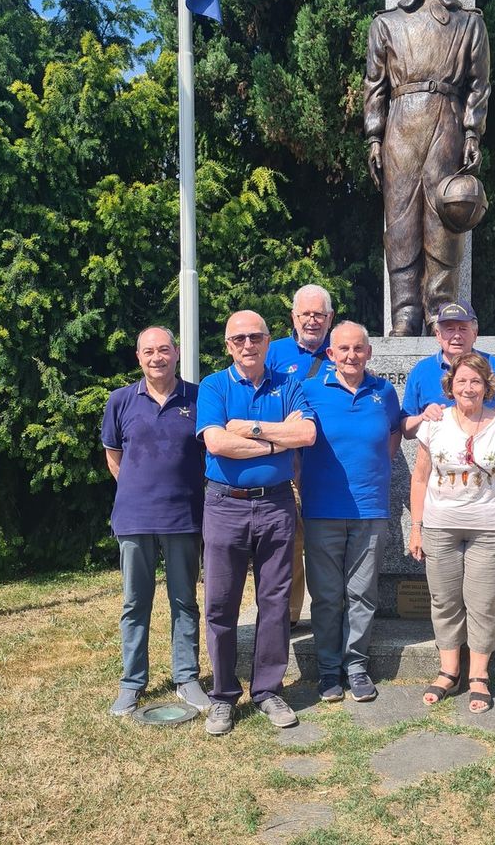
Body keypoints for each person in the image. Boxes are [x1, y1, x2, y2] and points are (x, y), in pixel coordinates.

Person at [196, 310, 316, 735]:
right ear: (228, 345)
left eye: (256, 337)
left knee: (275, 601)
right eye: (239, 339)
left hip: (276, 504)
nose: (248, 345)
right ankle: (223, 696)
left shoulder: (289, 384)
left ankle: (267, 690)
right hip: (224, 505)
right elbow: (216, 442)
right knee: (220, 603)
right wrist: (275, 442)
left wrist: (251, 430)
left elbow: (306, 435)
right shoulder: (214, 385)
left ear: (268, 341)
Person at [364, 0, 491, 334]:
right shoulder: (386, 23)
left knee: (444, 215)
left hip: (446, 121)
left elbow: (479, 85)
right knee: (400, 219)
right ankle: (405, 312)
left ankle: (440, 307)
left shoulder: (469, 22)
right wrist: (373, 137)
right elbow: (374, 86)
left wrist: (472, 133)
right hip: (400, 125)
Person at [401, 300, 495, 652]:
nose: (456, 334)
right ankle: (453, 647)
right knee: (447, 586)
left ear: (475, 331)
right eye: (449, 328)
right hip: (446, 497)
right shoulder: (421, 372)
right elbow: (405, 426)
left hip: (491, 490)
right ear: (437, 334)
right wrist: (422, 418)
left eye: (463, 327)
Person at [409, 352, 495, 713]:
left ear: (487, 386)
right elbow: (420, 477)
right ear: (451, 385)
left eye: (475, 381)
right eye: (461, 380)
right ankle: (449, 671)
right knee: (444, 600)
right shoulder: (434, 422)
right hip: (440, 525)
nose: (468, 387)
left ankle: (479, 675)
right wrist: (416, 527)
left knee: (484, 602)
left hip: (490, 527)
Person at [101, 326, 208, 717]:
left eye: (164, 349)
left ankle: (186, 678)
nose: (157, 357)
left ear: (176, 353)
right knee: (135, 603)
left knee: (184, 602)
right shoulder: (120, 400)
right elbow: (114, 457)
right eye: (149, 351)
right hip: (134, 519)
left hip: (184, 518)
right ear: (138, 357)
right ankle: (132, 683)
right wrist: (140, 491)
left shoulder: (198, 397)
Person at [300, 322, 401, 702]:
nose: (351, 355)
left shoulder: (384, 392)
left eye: (358, 348)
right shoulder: (309, 390)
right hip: (322, 510)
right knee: (326, 595)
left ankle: (356, 667)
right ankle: (328, 670)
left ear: (369, 353)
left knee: (362, 594)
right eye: (343, 349)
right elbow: (297, 441)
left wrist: (376, 468)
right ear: (330, 354)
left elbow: (393, 432)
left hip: (370, 510)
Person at [267, 284, 335, 625]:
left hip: (331, 467)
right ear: (293, 317)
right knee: (289, 544)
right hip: (287, 463)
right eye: (305, 314)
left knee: (327, 546)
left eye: (319, 314)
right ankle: (290, 616)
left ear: (330, 318)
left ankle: (330, 614)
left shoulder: (342, 349)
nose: (312, 320)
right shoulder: (273, 352)